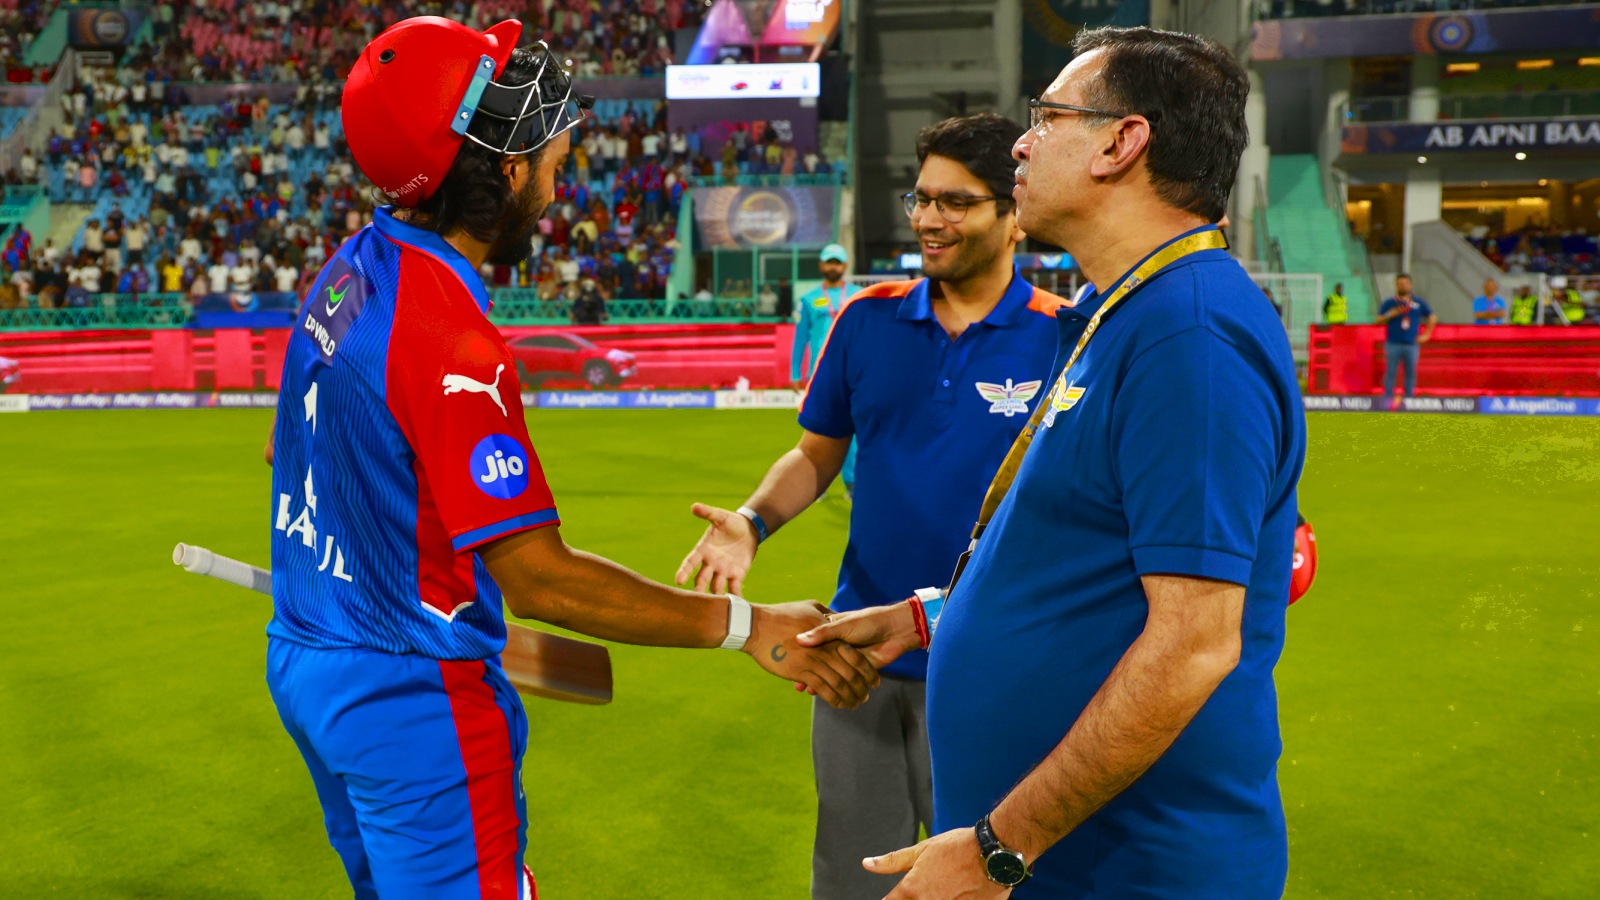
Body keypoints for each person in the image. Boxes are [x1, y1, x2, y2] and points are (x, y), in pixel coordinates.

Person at [265, 19, 876, 900]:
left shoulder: (350, 269)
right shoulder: (450, 342)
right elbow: (541, 580)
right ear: (503, 170)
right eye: (550, 158)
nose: (559, 181)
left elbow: (303, 454)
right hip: (413, 701)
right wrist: (749, 627)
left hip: (312, 659)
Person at [797, 27, 1306, 898]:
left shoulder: (1189, 335)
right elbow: (1079, 567)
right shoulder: (1121, 316)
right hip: (1067, 857)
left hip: (1126, 868)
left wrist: (1002, 845)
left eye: (1048, 117)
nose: (1022, 142)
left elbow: (1192, 644)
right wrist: (923, 620)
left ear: (1122, 142)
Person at [677, 113, 1068, 900]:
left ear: (1014, 214)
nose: (928, 219)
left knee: (994, 879)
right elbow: (817, 453)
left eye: (956, 202)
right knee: (852, 877)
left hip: (991, 663)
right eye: (921, 198)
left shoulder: (1065, 338)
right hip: (857, 658)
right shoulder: (866, 320)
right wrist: (751, 524)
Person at [791, 242, 859, 494]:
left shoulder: (858, 295)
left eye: (837, 262)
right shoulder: (808, 300)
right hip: (819, 373)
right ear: (822, 265)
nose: (833, 266)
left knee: (854, 429)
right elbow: (800, 339)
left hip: (853, 370)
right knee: (816, 429)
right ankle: (814, 483)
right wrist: (795, 373)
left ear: (845, 265)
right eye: (829, 261)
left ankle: (852, 483)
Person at [1376, 273, 1435, 406]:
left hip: (1411, 344)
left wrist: (1426, 334)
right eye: (1400, 284)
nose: (1403, 286)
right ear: (1396, 285)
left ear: (1411, 285)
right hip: (1393, 343)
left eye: (1406, 283)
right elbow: (1378, 319)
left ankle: (1409, 398)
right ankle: (1387, 398)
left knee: (1410, 372)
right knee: (1391, 370)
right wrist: (1391, 314)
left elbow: (1432, 317)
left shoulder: (1418, 303)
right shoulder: (1390, 303)